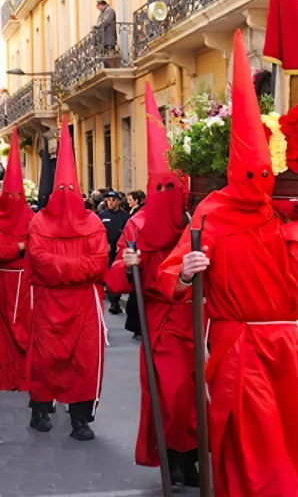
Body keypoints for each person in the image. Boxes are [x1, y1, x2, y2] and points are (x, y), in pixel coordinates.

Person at [158, 30, 298, 497]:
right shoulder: (211, 213)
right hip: (240, 348)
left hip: (287, 348)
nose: (258, 183)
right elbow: (170, 275)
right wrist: (188, 269)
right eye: (249, 174)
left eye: (265, 175)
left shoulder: (287, 216)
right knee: (255, 448)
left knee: (288, 441)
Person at [107, 83, 197, 486]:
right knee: (171, 396)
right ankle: (173, 461)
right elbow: (114, 277)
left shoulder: (195, 224)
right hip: (161, 326)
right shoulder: (137, 224)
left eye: (171, 187)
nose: (165, 195)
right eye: (159, 187)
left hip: (198, 322)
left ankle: (191, 461)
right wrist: (128, 266)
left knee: (196, 399)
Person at [26, 117, 109, 440]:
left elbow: (98, 262)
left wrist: (63, 268)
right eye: (60, 189)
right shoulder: (39, 223)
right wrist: (75, 267)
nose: (65, 193)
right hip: (50, 304)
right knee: (47, 357)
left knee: (84, 361)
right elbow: (41, 262)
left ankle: (80, 419)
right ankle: (40, 409)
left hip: (84, 306)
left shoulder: (92, 222)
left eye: (70, 189)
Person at [0, 130, 34, 392]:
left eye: (17, 197)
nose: (13, 202)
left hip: (26, 286)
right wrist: (20, 245)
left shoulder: (31, 219)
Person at [100, 190, 130, 314]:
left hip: (119, 250)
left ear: (118, 201)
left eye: (113, 200)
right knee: (108, 275)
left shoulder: (125, 216)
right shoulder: (101, 215)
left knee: (118, 275)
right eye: (108, 200)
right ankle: (113, 301)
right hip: (106, 251)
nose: (110, 202)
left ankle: (115, 301)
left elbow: (128, 232)